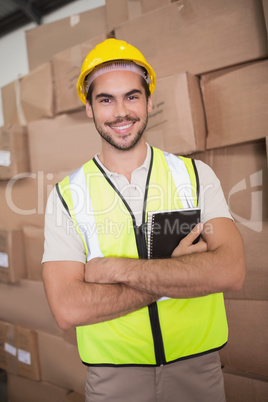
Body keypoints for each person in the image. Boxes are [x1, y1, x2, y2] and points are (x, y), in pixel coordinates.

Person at [42, 38, 246, 402]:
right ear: (89, 108)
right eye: (106, 99)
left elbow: (230, 270)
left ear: (149, 101)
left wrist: (116, 268)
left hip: (198, 370)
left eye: (132, 96)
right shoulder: (66, 196)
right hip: (113, 379)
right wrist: (181, 273)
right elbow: (68, 308)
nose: (121, 112)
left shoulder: (196, 176)